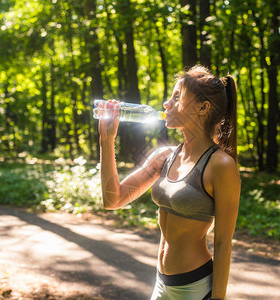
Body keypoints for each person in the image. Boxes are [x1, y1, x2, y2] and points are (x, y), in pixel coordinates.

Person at [98, 65, 241, 300]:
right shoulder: (165, 157)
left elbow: (224, 243)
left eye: (177, 97)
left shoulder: (220, 165)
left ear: (202, 107)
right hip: (161, 284)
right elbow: (113, 199)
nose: (166, 103)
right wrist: (107, 139)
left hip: (194, 287)